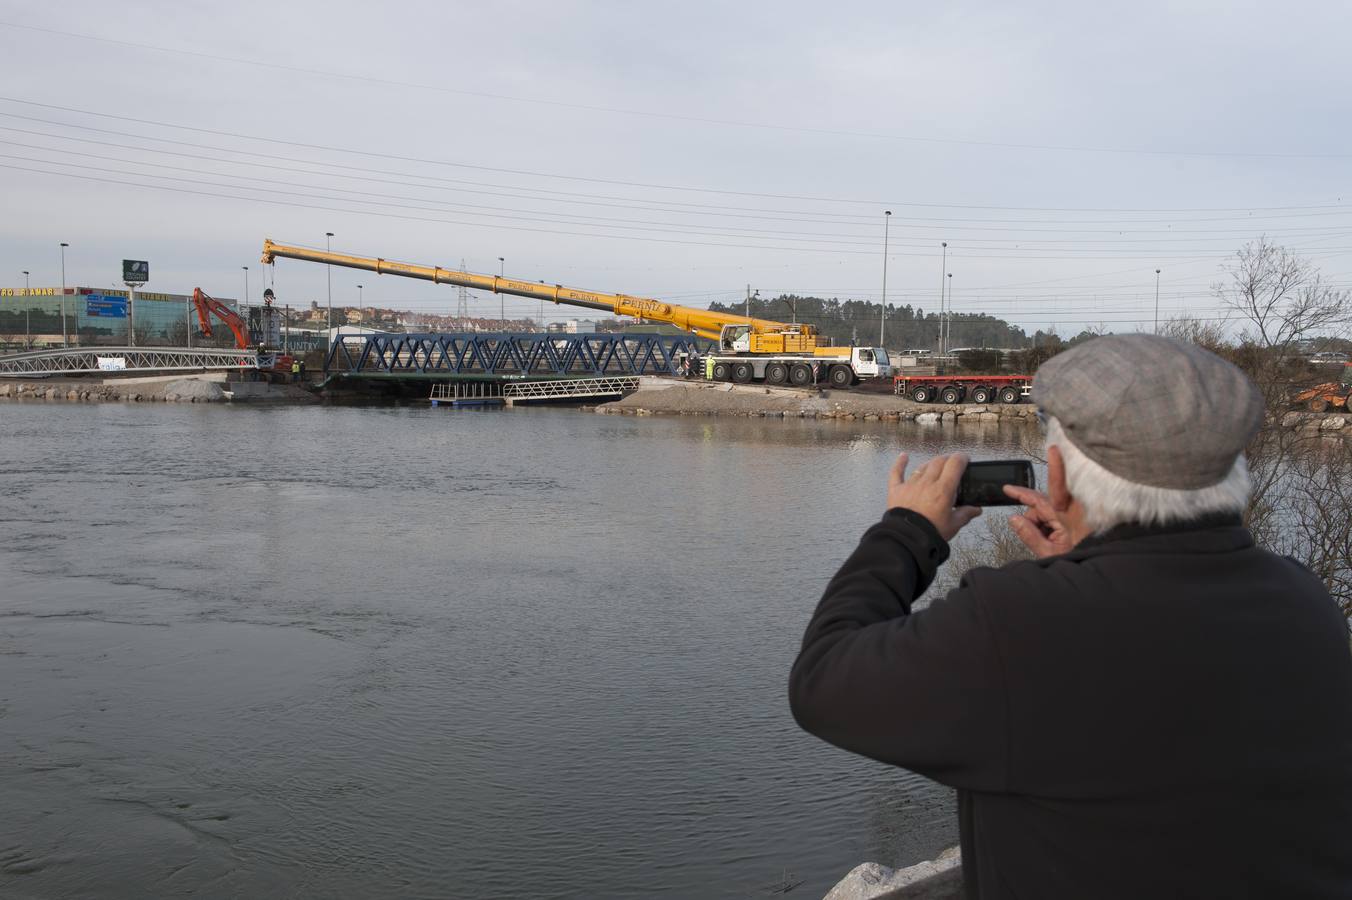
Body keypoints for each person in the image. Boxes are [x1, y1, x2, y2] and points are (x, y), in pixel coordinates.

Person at [789, 334, 1352, 899]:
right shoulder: (1304, 601)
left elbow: (824, 683)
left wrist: (906, 532)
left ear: (1056, 475)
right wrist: (1084, 566)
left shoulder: (1018, 624)